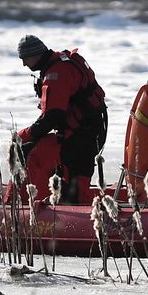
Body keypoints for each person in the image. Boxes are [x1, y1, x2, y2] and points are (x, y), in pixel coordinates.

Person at [14, 34, 108, 203]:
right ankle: (59, 200)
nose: (24, 64)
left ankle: (29, 204)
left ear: (34, 55)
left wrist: (23, 135)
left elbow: (52, 118)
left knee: (31, 152)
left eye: (25, 59)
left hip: (81, 135)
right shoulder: (60, 62)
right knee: (75, 176)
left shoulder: (56, 73)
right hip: (88, 130)